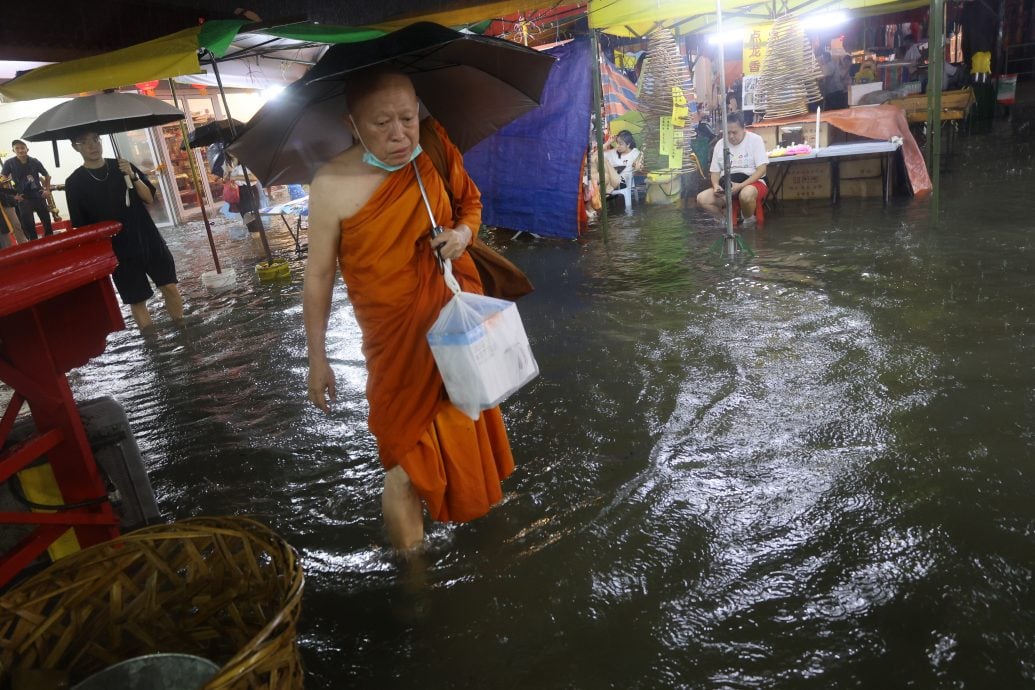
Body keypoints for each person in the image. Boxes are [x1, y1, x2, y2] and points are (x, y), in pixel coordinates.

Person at [304, 68, 515, 553]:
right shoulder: (331, 183)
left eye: (407, 118)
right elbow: (318, 276)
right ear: (352, 124)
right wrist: (318, 358)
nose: (399, 134)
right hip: (393, 345)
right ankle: (413, 579)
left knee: (469, 427)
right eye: (382, 123)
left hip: (451, 328)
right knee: (399, 464)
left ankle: (491, 535)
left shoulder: (435, 149)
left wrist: (462, 236)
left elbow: (471, 205)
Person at [65, 131, 183, 329]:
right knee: (137, 300)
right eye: (84, 142)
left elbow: (148, 198)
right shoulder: (74, 183)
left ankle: (182, 330)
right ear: (76, 147)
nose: (92, 146)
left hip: (148, 238)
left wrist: (132, 175)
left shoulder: (122, 166)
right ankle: (153, 345)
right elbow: (82, 226)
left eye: (95, 140)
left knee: (169, 286)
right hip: (117, 249)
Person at [695, 112, 768, 226]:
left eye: (734, 132)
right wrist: (716, 186)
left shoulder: (755, 140)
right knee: (702, 199)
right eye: (727, 133)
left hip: (752, 182)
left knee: (745, 195)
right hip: (727, 185)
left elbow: (762, 169)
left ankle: (748, 220)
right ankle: (724, 220)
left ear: (743, 128)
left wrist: (741, 185)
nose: (731, 136)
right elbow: (715, 171)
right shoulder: (720, 144)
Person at [2, 140, 52, 240]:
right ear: (13, 150)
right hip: (23, 198)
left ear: (27, 149)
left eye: (22, 148)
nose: (20, 150)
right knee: (28, 226)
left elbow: (47, 175)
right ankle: (34, 245)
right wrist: (13, 196)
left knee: (47, 222)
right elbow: (3, 180)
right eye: (17, 148)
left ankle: (50, 240)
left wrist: (47, 190)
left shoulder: (35, 161)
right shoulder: (9, 163)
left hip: (38, 195)